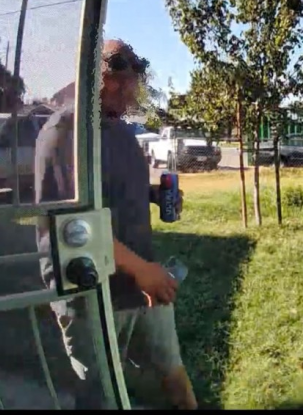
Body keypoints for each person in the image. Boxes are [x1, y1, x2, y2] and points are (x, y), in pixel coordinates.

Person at [35, 39, 197, 410]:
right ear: (90, 78)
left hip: (144, 285)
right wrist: (142, 270)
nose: (128, 91)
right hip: (91, 294)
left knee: (173, 371)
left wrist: (155, 195)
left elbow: (119, 190)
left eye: (132, 82)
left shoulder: (123, 133)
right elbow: (74, 227)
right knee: (101, 395)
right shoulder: (64, 134)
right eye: (116, 81)